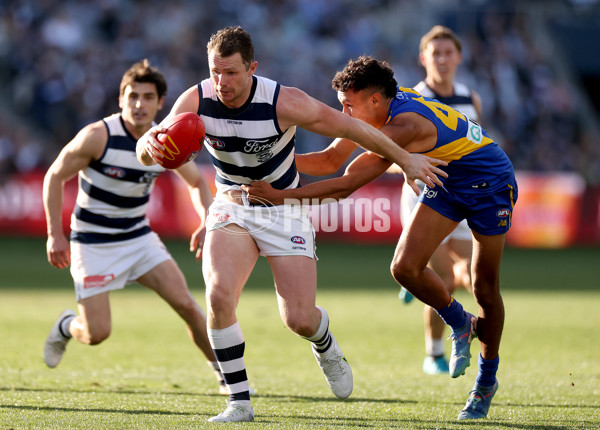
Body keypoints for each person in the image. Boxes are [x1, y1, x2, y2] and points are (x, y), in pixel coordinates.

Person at [136, 27, 447, 423]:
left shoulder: (285, 102)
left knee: (299, 319)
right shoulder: (195, 99)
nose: (221, 82)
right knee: (217, 296)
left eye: (231, 73)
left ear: (253, 68)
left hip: (284, 210)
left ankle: (325, 342)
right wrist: (150, 146)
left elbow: (353, 129)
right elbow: (146, 149)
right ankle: (239, 402)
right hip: (232, 205)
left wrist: (405, 159)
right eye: (215, 71)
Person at [243, 56, 518, 420]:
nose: (342, 113)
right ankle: (461, 322)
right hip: (447, 179)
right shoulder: (376, 111)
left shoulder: (400, 128)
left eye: (348, 105)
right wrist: (271, 160)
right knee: (404, 268)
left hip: (490, 183)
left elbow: (343, 187)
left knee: (485, 288)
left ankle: (486, 380)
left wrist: (278, 196)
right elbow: (328, 161)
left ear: (375, 101)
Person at [42, 59, 231, 395]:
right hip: (92, 242)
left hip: (137, 237)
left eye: (148, 97)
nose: (139, 104)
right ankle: (67, 325)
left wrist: (205, 219)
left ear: (161, 103)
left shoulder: (165, 139)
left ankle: (225, 374)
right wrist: (56, 234)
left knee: (187, 304)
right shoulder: (98, 136)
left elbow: (197, 184)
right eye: (133, 96)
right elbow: (54, 176)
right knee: (97, 334)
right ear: (121, 100)